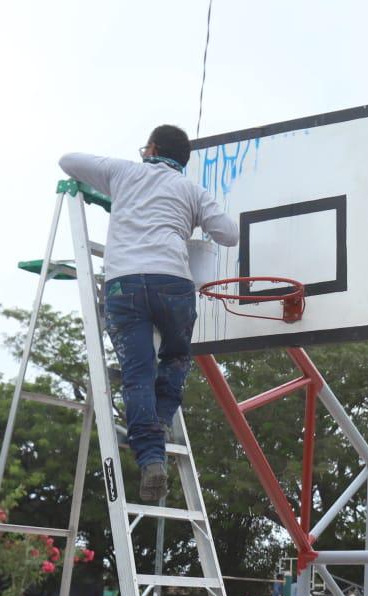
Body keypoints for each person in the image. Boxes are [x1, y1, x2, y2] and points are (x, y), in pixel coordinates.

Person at [59, 126, 240, 503]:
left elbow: (68, 161)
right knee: (174, 358)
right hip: (172, 282)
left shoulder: (123, 172)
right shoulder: (192, 190)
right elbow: (229, 234)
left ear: (152, 148)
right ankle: (159, 423)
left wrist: (112, 187)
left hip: (124, 284)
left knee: (136, 373)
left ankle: (151, 455)